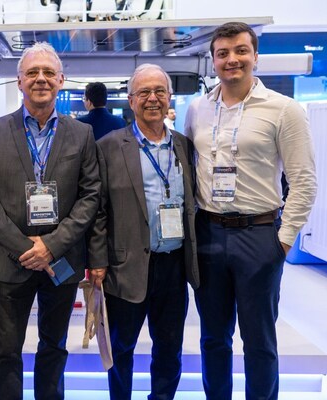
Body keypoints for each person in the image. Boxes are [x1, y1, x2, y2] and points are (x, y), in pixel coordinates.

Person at [184, 22, 317, 400]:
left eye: (241, 50)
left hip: (259, 235)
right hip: (208, 233)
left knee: (259, 340)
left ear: (255, 56)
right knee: (213, 338)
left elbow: (304, 181)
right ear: (213, 60)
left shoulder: (283, 109)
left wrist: (282, 242)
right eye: (223, 53)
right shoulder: (197, 109)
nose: (232, 59)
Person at [0, 42, 100, 400]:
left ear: (61, 80)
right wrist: (25, 247)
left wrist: (51, 245)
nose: (40, 79)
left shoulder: (81, 134)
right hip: (11, 258)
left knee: (54, 346)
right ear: (19, 82)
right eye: (32, 72)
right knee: (4, 349)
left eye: (48, 72)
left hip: (62, 259)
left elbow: (90, 196)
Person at [88, 63, 199, 400]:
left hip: (174, 265)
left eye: (159, 91)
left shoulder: (184, 146)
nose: (153, 99)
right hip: (125, 266)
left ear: (170, 97)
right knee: (121, 349)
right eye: (144, 92)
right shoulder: (108, 147)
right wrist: (97, 261)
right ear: (131, 100)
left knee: (169, 349)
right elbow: (97, 211)